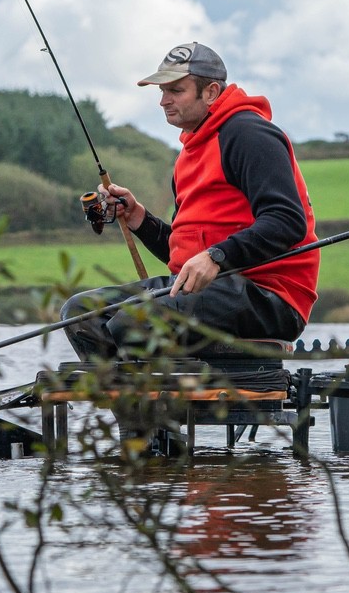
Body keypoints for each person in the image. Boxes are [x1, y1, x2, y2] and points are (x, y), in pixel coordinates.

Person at [61, 42, 317, 360]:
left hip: (269, 295)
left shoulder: (249, 135)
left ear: (210, 92)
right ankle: (136, 408)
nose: (163, 101)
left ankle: (163, 405)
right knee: (81, 314)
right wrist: (138, 217)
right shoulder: (189, 152)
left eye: (175, 90)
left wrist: (218, 256)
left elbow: (287, 221)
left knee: (137, 321)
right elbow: (186, 256)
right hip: (207, 289)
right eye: (162, 91)